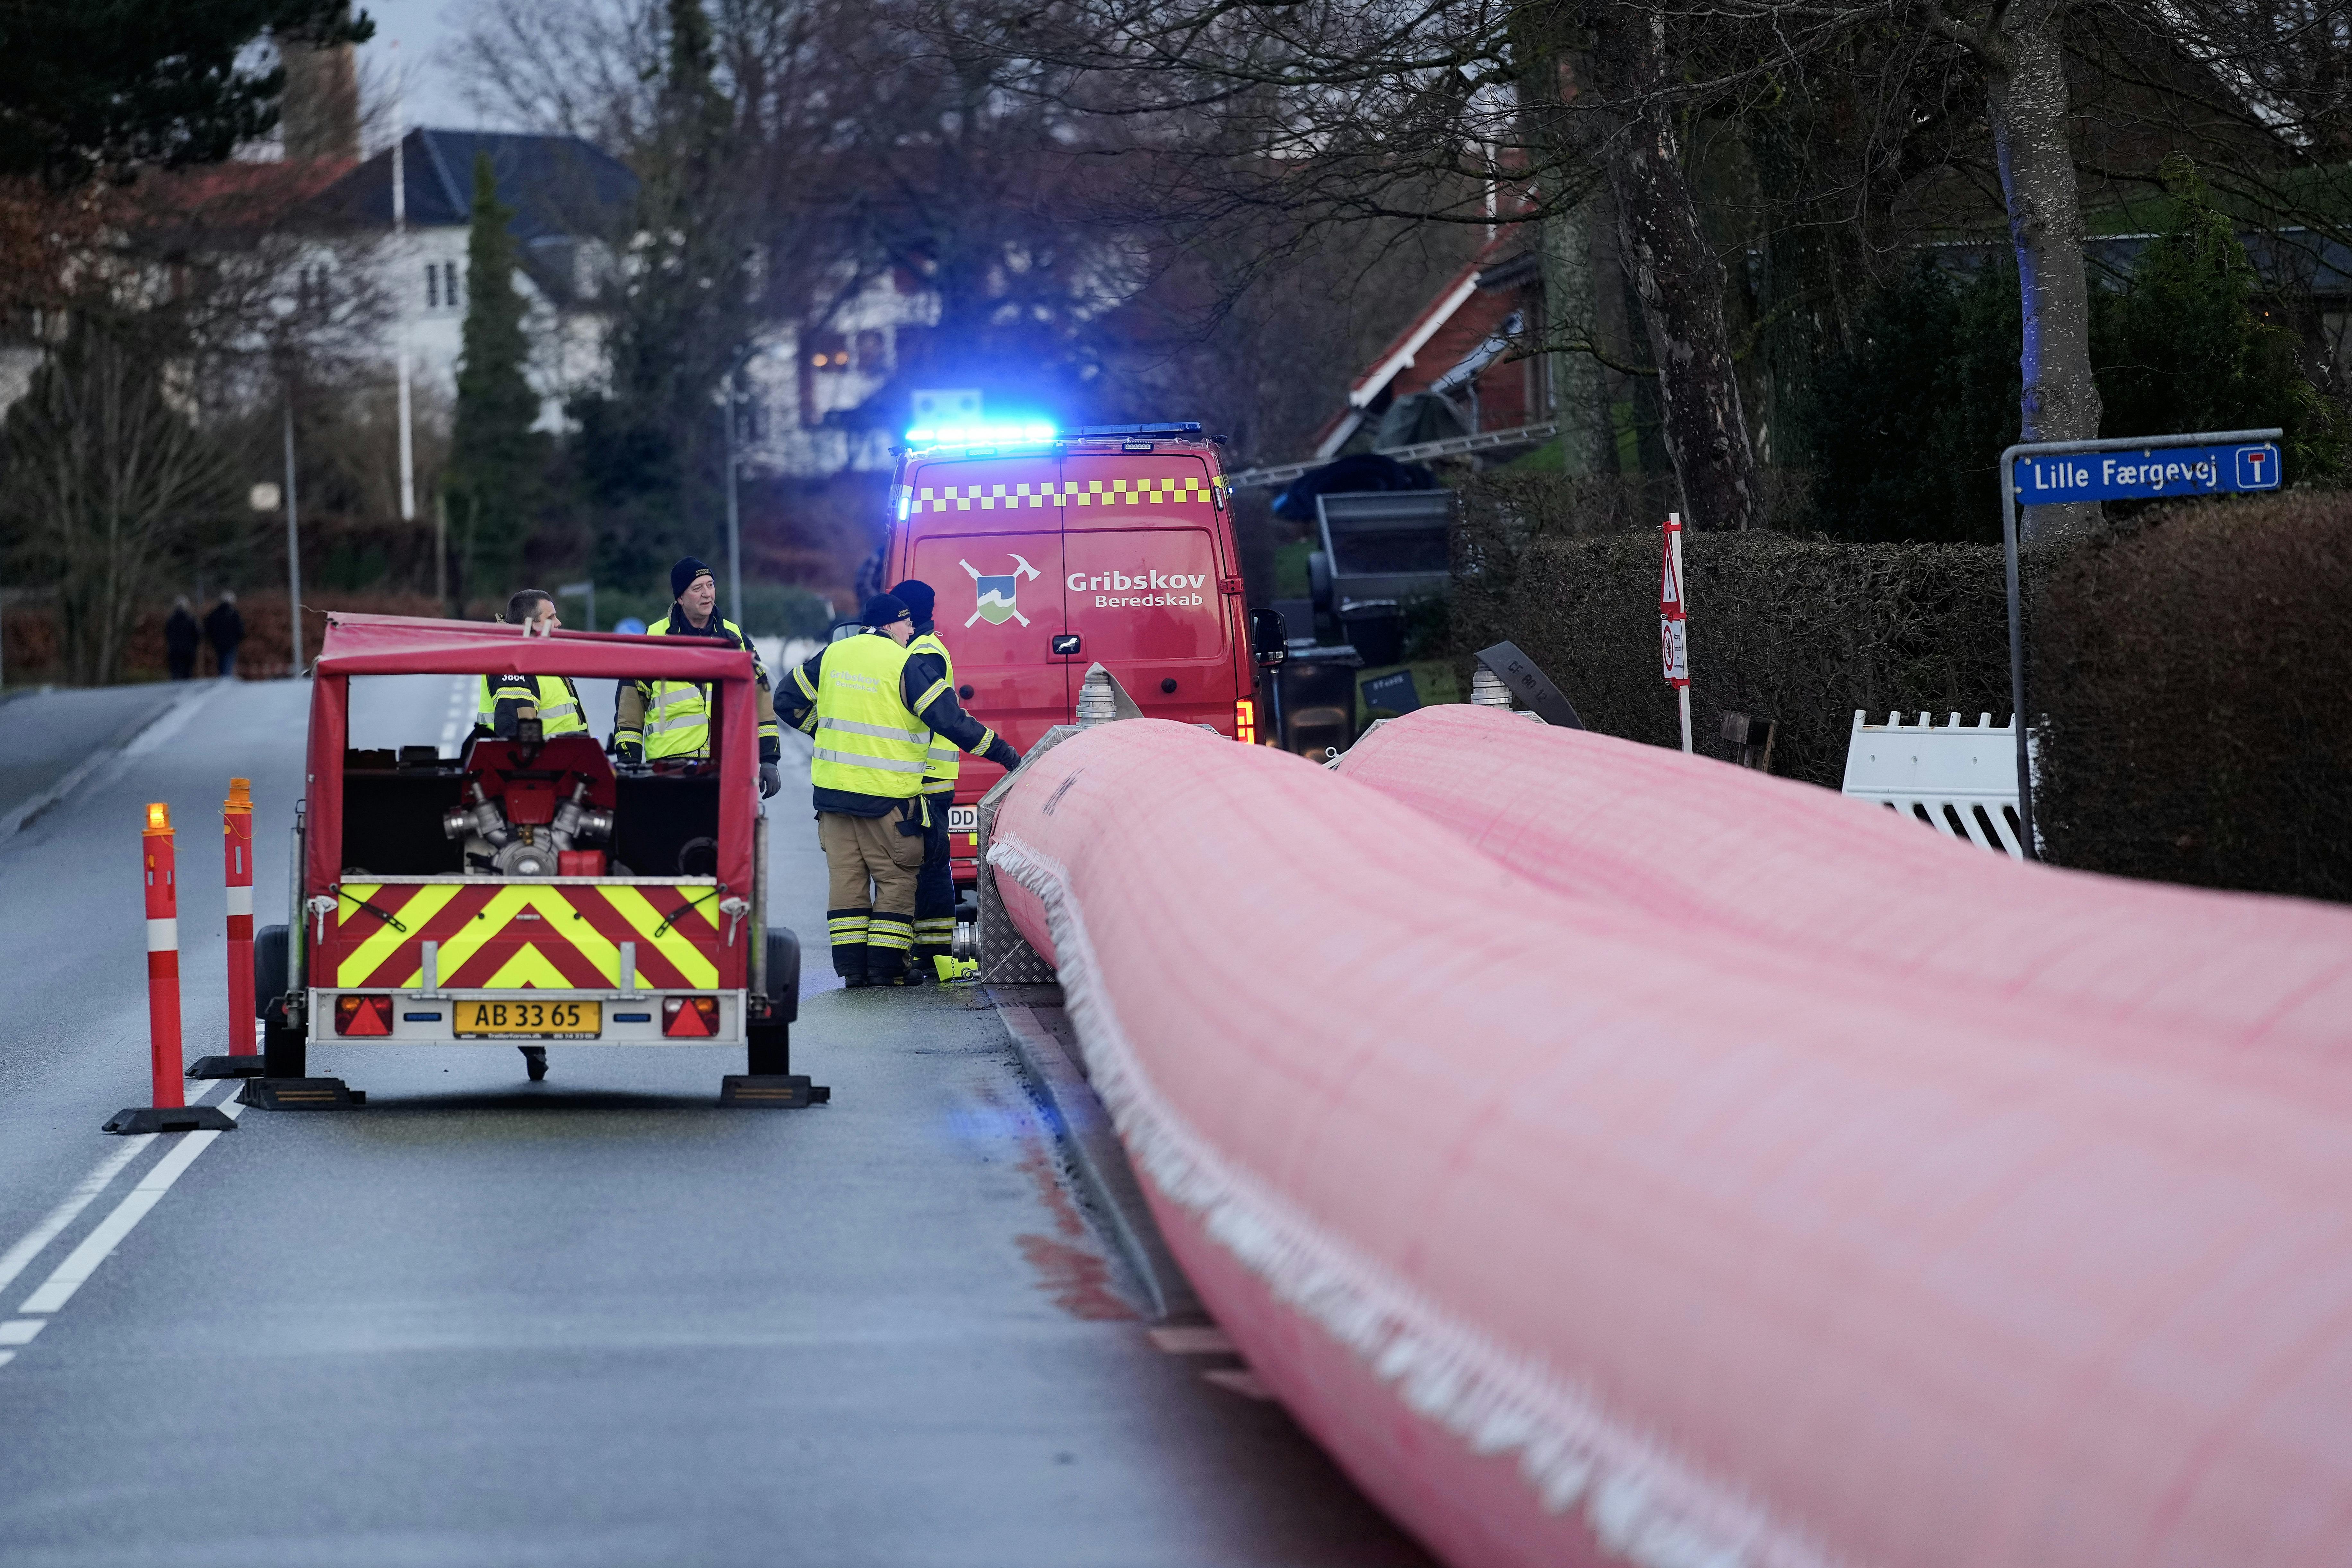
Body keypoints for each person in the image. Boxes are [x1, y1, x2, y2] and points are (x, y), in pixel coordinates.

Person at [776, 592, 1021, 987]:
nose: (912, 630)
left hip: (833, 801)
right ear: (890, 625)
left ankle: (854, 972)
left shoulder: (833, 656)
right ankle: (888, 970)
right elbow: (952, 721)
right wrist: (1006, 754)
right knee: (895, 881)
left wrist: (824, 732)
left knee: (847, 885)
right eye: (907, 623)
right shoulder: (904, 664)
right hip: (886, 801)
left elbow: (786, 700)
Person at [613, 558, 782, 798]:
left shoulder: (735, 639)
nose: (708, 594)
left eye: (710, 585)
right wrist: (629, 763)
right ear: (680, 598)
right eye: (697, 588)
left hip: (728, 766)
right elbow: (630, 709)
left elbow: (761, 700)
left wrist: (769, 759)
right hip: (668, 770)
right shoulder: (654, 639)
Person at [891, 579, 963, 975]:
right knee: (924, 865)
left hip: (927, 779)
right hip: (924, 777)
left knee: (931, 866)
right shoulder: (922, 649)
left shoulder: (923, 654)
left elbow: (930, 714)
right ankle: (928, 952)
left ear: (910, 614)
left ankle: (934, 957)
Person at [475, 589, 588, 740]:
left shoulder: (535, 658)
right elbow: (516, 742)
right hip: (543, 762)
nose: (558, 623)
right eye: (551, 618)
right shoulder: (515, 665)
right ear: (529, 624)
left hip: (562, 760)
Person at [203, 591, 243, 679]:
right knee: (228, 664)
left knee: (221, 663)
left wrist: (213, 639)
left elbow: (208, 628)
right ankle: (226, 683)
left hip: (218, 644)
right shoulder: (234, 614)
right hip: (231, 644)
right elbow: (240, 630)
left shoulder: (214, 614)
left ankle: (223, 680)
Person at [164, 597, 200, 681]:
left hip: (175, 651)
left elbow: (167, 634)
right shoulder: (191, 620)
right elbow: (197, 635)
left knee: (176, 675)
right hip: (188, 651)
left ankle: (175, 693)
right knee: (187, 675)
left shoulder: (171, 620)